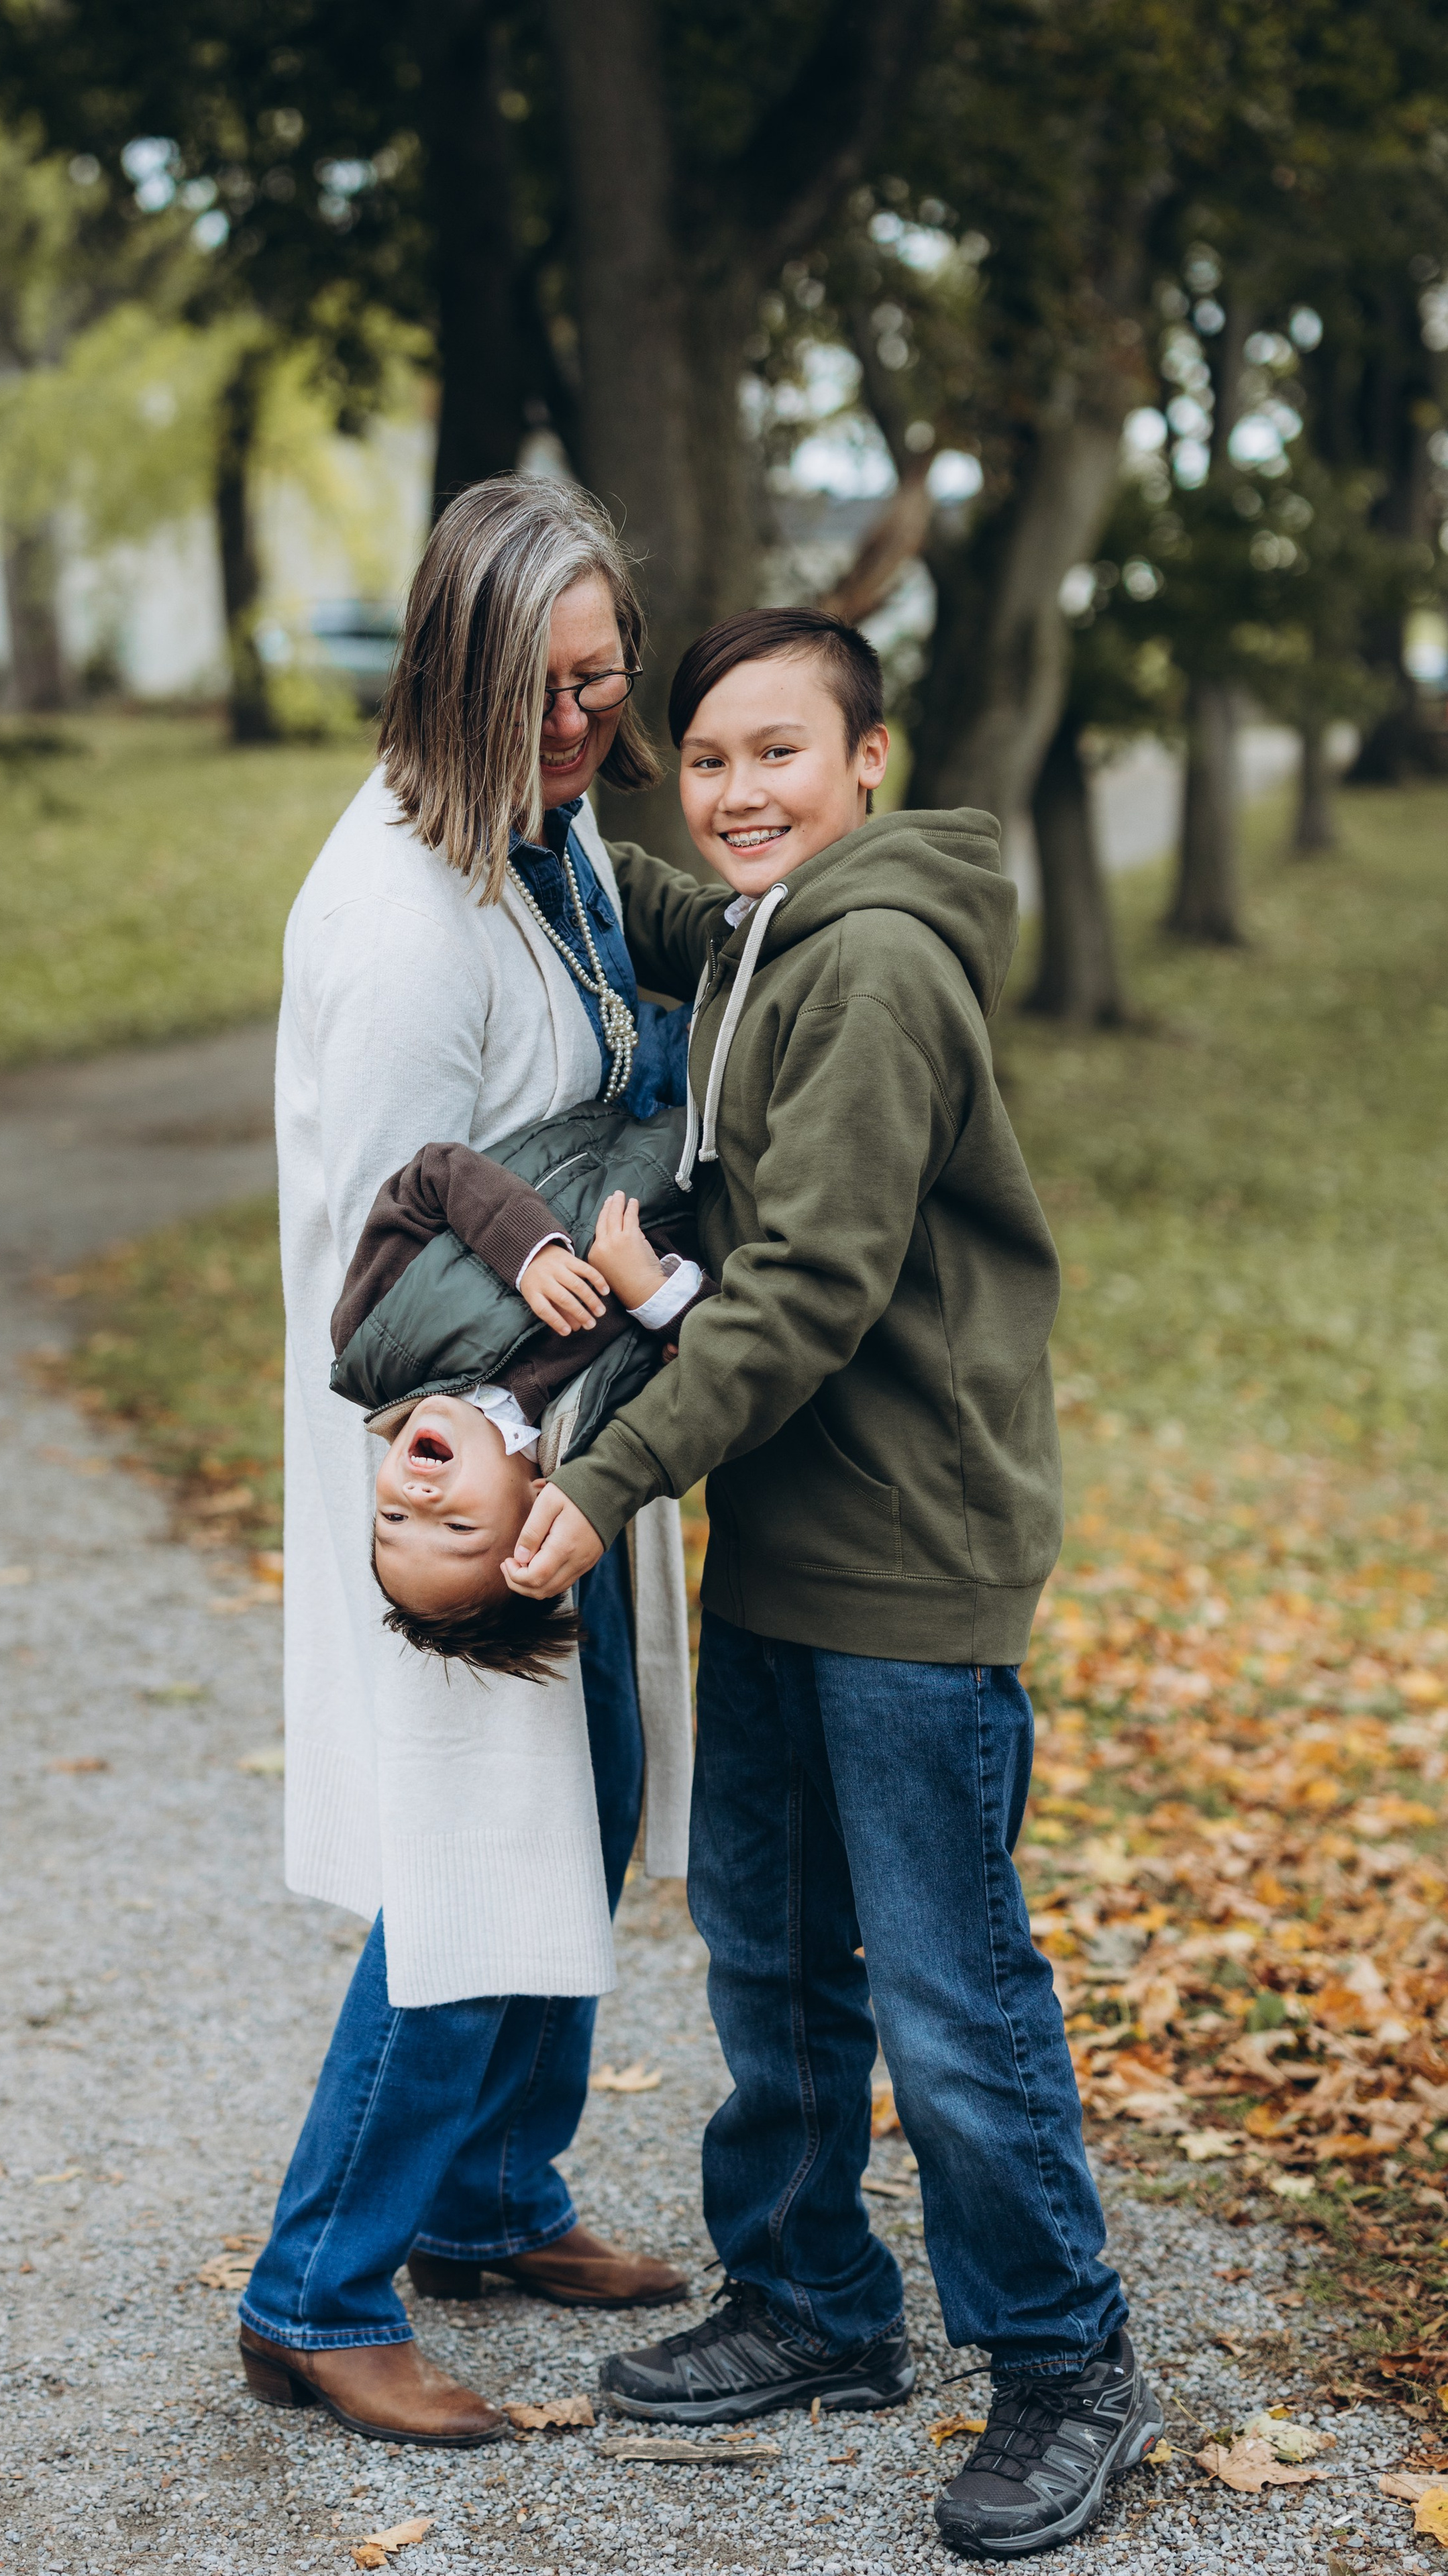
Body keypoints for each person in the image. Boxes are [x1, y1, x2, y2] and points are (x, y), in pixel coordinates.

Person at [504, 607, 1159, 2557]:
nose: (735, 792)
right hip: (790, 1537)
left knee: (946, 1986)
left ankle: (1066, 2359)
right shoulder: (767, 931)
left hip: (908, 1552)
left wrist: (604, 1476)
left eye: (776, 752)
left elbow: (803, 1288)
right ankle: (811, 2297)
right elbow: (654, 903)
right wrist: (525, 775)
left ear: (867, 760)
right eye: (707, 758)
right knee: (774, 1950)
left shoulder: (871, 963)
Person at [237, 481, 695, 2449]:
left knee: (587, 1801)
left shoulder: (542, 827)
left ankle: (492, 2190)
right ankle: (316, 2284)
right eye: (547, 685)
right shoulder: (402, 922)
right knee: (470, 1851)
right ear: (456, 671)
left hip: (562, 1442)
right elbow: (391, 1275)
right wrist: (492, 1478)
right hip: (455, 1461)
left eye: (606, 677)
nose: (585, 720)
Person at [330, 1114, 712, 1668]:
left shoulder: (369, 1340)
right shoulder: (600, 1435)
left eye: (393, 1519)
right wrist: (651, 1290)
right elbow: (722, 1361)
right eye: (457, 1527)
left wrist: (531, 1253)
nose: (417, 1498)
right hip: (715, 1159)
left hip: (621, 1111)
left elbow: (432, 1175)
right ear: (538, 1504)